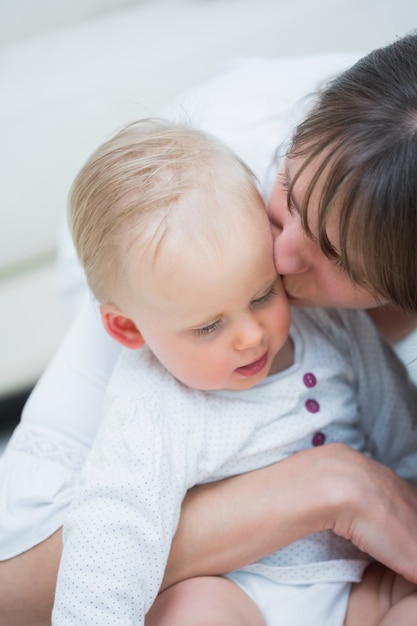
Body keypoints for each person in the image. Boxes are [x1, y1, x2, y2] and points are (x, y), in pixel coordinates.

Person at [1, 32, 417, 626]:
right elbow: (109, 533)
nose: (283, 254)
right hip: (238, 591)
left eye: (262, 295)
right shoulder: (180, 281)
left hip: (348, 581)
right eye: (290, 201)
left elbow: (400, 433)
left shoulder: (335, 335)